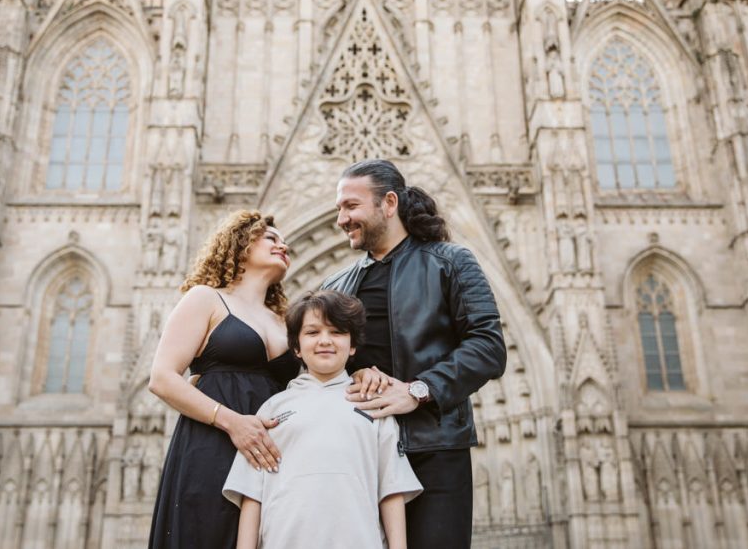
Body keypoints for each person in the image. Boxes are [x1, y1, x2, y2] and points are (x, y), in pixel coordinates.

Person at [323, 159, 508, 548]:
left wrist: (418, 390)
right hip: (359, 452)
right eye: (339, 208)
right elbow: (322, 359)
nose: (341, 219)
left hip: (434, 449)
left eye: (350, 206)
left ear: (388, 203)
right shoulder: (337, 285)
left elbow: (488, 346)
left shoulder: (451, 262)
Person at [147, 210, 301, 549]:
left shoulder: (284, 321)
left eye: (285, 241)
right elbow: (161, 378)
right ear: (241, 243)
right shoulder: (206, 298)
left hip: (269, 451)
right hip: (214, 443)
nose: (283, 245)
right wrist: (233, 423)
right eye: (271, 238)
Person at [223, 290, 422, 549]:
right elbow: (252, 495)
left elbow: (392, 489)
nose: (325, 340)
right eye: (313, 332)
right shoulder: (272, 408)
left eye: (337, 332)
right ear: (296, 347)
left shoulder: (373, 405)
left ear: (352, 346)